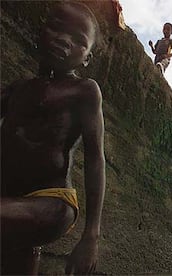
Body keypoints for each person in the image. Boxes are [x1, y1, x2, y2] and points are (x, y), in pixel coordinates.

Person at [1, 2, 105, 275]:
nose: (63, 39)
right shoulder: (18, 89)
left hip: (52, 203)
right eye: (57, 28)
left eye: (78, 40)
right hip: (11, 198)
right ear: (41, 31)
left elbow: (95, 158)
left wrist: (91, 236)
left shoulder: (84, 91)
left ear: (86, 59)